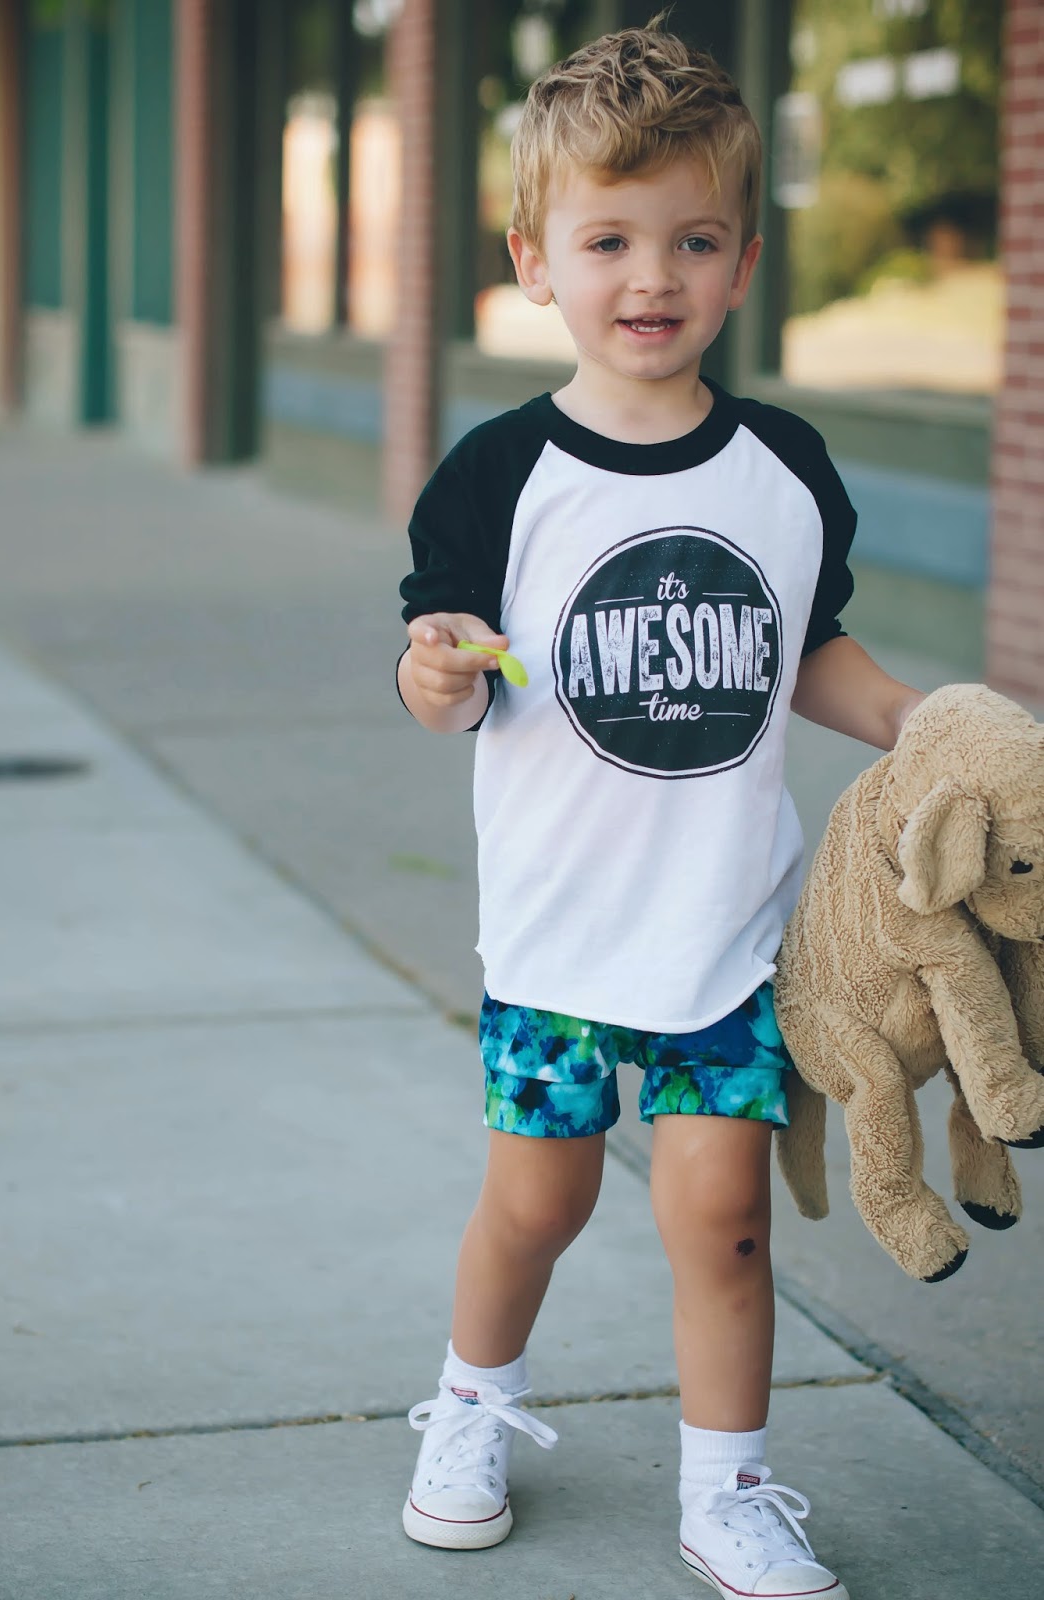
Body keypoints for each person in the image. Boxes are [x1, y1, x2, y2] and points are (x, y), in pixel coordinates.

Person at [395, 21, 922, 1600]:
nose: (651, 276)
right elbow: (446, 673)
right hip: (558, 937)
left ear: (743, 262)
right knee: (535, 1200)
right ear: (533, 261)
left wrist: (922, 726)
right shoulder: (499, 474)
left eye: (692, 241)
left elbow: (804, 649)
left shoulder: (781, 468)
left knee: (723, 1218)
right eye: (608, 240)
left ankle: (727, 1491)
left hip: (721, 936)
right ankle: (470, 1406)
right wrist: (436, 672)